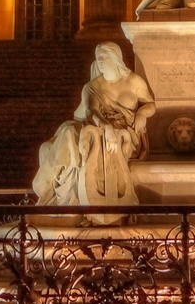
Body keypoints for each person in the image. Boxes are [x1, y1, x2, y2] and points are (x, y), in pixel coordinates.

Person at [33, 43, 156, 217]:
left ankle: (57, 194)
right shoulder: (92, 86)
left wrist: (142, 114)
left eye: (104, 57)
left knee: (81, 137)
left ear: (115, 57)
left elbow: (150, 103)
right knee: (67, 135)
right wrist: (106, 128)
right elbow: (91, 111)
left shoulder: (134, 81)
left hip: (126, 131)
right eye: (98, 57)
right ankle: (53, 193)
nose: (99, 61)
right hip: (99, 126)